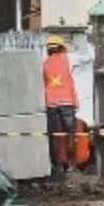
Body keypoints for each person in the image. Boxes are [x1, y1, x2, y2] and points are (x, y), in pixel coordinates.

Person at [43, 34, 79, 175]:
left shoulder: (44, 63)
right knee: (70, 134)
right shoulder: (68, 58)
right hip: (67, 102)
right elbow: (87, 57)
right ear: (61, 48)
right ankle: (72, 166)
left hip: (51, 103)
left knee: (54, 136)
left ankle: (57, 167)